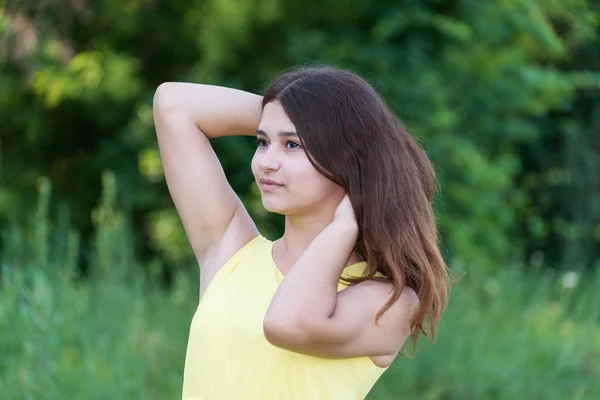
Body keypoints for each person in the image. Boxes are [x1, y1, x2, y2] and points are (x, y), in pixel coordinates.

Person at [152, 65, 451, 400]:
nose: (266, 161)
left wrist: (345, 224)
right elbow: (173, 103)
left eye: (292, 145)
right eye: (263, 142)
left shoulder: (389, 302)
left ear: (345, 158)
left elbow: (286, 323)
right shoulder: (230, 251)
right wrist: (291, 113)